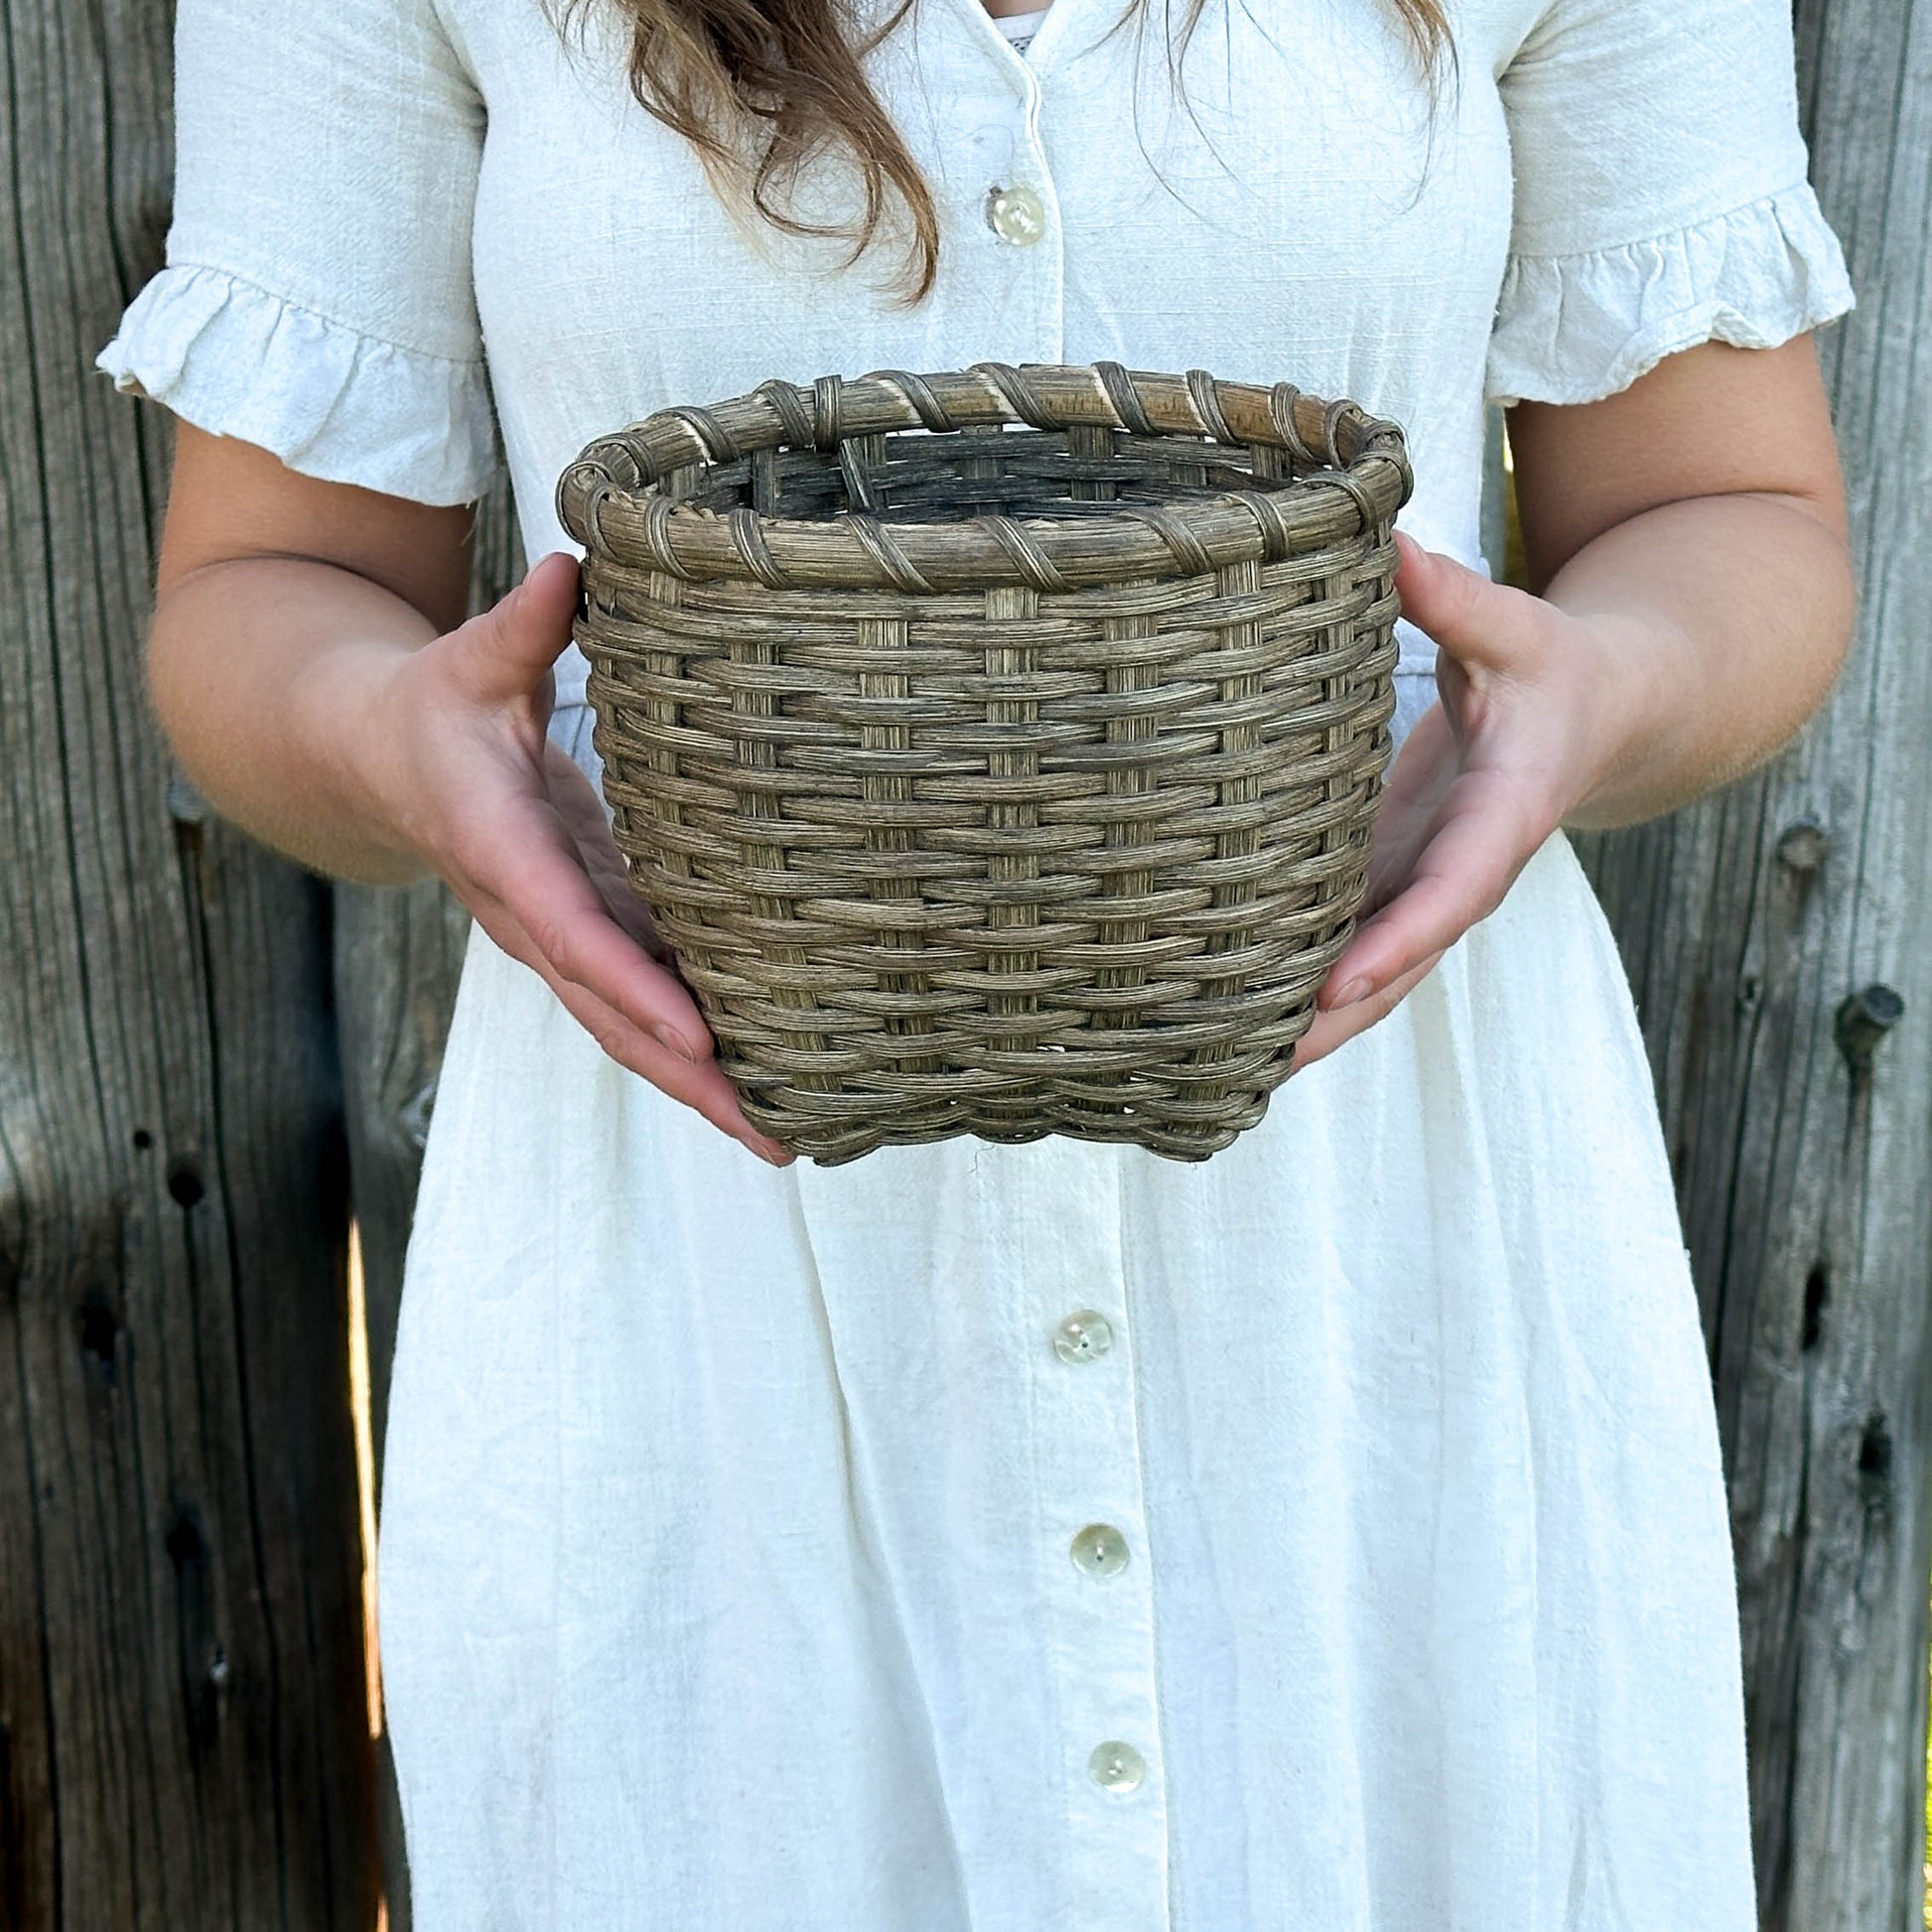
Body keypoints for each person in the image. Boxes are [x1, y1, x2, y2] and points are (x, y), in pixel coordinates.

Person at [100, 0, 1856, 1919]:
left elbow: (1723, 509)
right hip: (700, 1339)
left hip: (1373, 1319)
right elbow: (270, 586)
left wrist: (1595, 689)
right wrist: (399, 744)